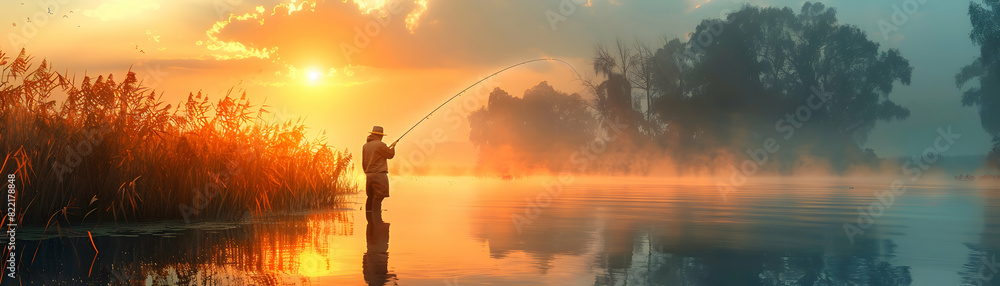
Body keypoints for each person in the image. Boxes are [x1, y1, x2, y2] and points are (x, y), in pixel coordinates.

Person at [362, 126, 396, 212]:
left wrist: (367, 173)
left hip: (369, 175)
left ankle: (369, 221)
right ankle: (377, 219)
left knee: (370, 197)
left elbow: (363, 162)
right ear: (380, 136)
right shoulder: (380, 145)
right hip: (379, 175)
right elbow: (390, 155)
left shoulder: (365, 146)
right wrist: (393, 147)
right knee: (379, 197)